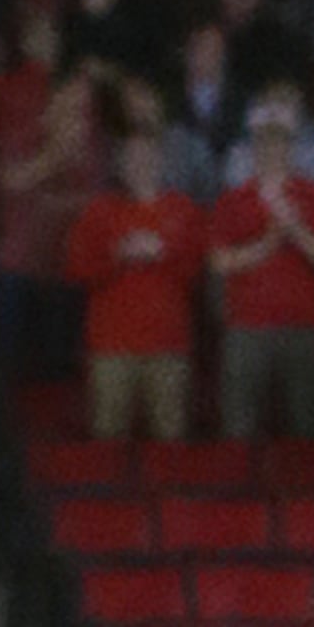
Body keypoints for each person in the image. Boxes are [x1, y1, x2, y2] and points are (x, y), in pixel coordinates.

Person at [206, 93, 314, 444]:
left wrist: (295, 230)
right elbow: (220, 261)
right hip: (247, 326)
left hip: (301, 326)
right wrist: (268, 242)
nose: (271, 149)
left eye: (279, 140)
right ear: (254, 147)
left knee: (308, 425)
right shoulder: (234, 199)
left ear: (291, 146)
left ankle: (306, 499)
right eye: (264, 141)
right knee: (239, 426)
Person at [65, 106, 206, 443]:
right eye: (131, 156)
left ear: (161, 159)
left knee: (170, 443)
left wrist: (163, 254)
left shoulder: (183, 210)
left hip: (168, 346)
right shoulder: (99, 212)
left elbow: (198, 269)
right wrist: (119, 255)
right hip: (111, 347)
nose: (140, 162)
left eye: (147, 154)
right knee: (107, 442)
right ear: (119, 163)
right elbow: (76, 270)